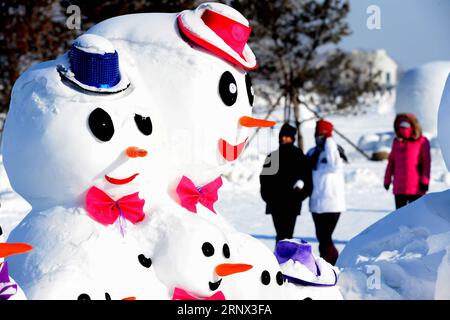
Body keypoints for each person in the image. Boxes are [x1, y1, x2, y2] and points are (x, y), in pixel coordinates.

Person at [260, 123, 313, 244]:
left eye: (287, 136)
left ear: (292, 138)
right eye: (281, 136)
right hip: (275, 203)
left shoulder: (299, 156)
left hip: (291, 204)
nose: (283, 138)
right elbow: (264, 179)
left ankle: (284, 260)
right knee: (280, 235)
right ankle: (279, 261)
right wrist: (267, 197)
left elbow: (308, 180)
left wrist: (299, 197)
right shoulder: (273, 156)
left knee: (287, 235)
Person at [307, 119, 345, 266]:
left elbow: (334, 165)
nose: (319, 137)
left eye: (323, 134)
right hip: (316, 203)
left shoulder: (334, 152)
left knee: (325, 237)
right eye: (317, 134)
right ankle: (326, 264)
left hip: (332, 203)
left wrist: (329, 142)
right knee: (321, 238)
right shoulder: (312, 152)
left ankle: (332, 263)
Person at [384, 113, 431, 209]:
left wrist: (425, 182)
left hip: (417, 189)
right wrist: (387, 180)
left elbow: (426, 163)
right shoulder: (396, 142)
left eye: (406, 125)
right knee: (400, 218)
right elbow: (391, 162)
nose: (403, 128)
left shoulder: (422, 141)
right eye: (401, 126)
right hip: (399, 189)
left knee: (416, 218)